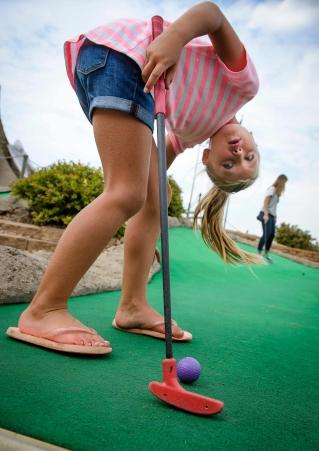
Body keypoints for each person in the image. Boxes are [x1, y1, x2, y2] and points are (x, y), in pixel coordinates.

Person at [7, 2, 261, 355]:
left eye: (230, 167)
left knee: (155, 200)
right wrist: (175, 37)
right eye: (249, 157)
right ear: (253, 141)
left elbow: (154, 174)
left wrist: (150, 216)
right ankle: (44, 309)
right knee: (126, 193)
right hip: (122, 57)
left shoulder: (191, 132)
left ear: (207, 159)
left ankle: (132, 306)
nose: (238, 155)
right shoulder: (244, 86)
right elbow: (212, 14)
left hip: (122, 75)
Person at [257, 174, 288, 262]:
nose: (285, 185)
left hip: (272, 216)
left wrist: (275, 217)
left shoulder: (277, 193)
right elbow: (266, 202)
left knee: (272, 235)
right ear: (281, 181)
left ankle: (266, 253)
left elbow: (274, 206)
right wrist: (266, 215)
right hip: (265, 214)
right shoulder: (272, 189)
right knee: (266, 234)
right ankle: (258, 253)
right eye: (284, 182)